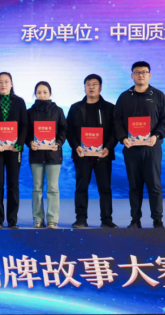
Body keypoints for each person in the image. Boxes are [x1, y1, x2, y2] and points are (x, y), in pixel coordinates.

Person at [114, 61, 165, 229]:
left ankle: (157, 221)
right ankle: (135, 220)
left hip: (151, 148)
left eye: (144, 72)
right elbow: (116, 120)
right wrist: (122, 138)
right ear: (132, 75)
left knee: (154, 186)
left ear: (149, 75)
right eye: (137, 72)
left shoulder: (158, 96)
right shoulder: (124, 97)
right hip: (131, 149)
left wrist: (157, 135)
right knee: (134, 186)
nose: (140, 75)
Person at [66, 74, 118, 229]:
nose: (91, 87)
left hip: (103, 155)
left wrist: (108, 147)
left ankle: (106, 220)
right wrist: (76, 146)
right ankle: (81, 219)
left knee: (105, 189)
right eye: (88, 84)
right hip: (82, 155)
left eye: (95, 84)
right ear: (84, 87)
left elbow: (115, 131)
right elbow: (69, 131)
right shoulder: (76, 108)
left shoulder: (110, 108)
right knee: (81, 188)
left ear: (100, 87)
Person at [0, 72, 28, 229]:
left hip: (14, 149)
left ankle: (12, 220)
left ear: (11, 84)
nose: (3, 85)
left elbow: (24, 125)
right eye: (0, 82)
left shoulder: (19, 102)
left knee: (13, 184)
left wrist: (18, 145)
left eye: (6, 82)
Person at [26, 81, 67, 229]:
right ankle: (38, 219)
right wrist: (30, 142)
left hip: (53, 155)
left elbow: (64, 130)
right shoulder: (29, 112)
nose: (42, 95)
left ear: (50, 93)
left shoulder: (58, 111)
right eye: (39, 92)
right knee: (37, 188)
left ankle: (52, 219)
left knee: (53, 188)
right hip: (36, 155)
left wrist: (58, 143)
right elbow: (26, 132)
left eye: (45, 92)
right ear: (35, 94)